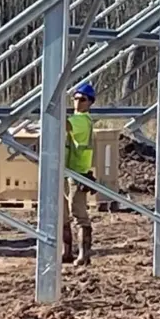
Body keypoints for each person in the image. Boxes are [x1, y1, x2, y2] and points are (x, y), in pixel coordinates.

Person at [63, 81, 97, 265]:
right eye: (75, 99)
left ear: (90, 102)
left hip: (77, 173)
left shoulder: (82, 120)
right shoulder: (75, 118)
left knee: (79, 215)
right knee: (63, 214)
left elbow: (65, 125)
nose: (77, 102)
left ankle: (84, 255)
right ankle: (66, 252)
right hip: (66, 172)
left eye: (82, 99)